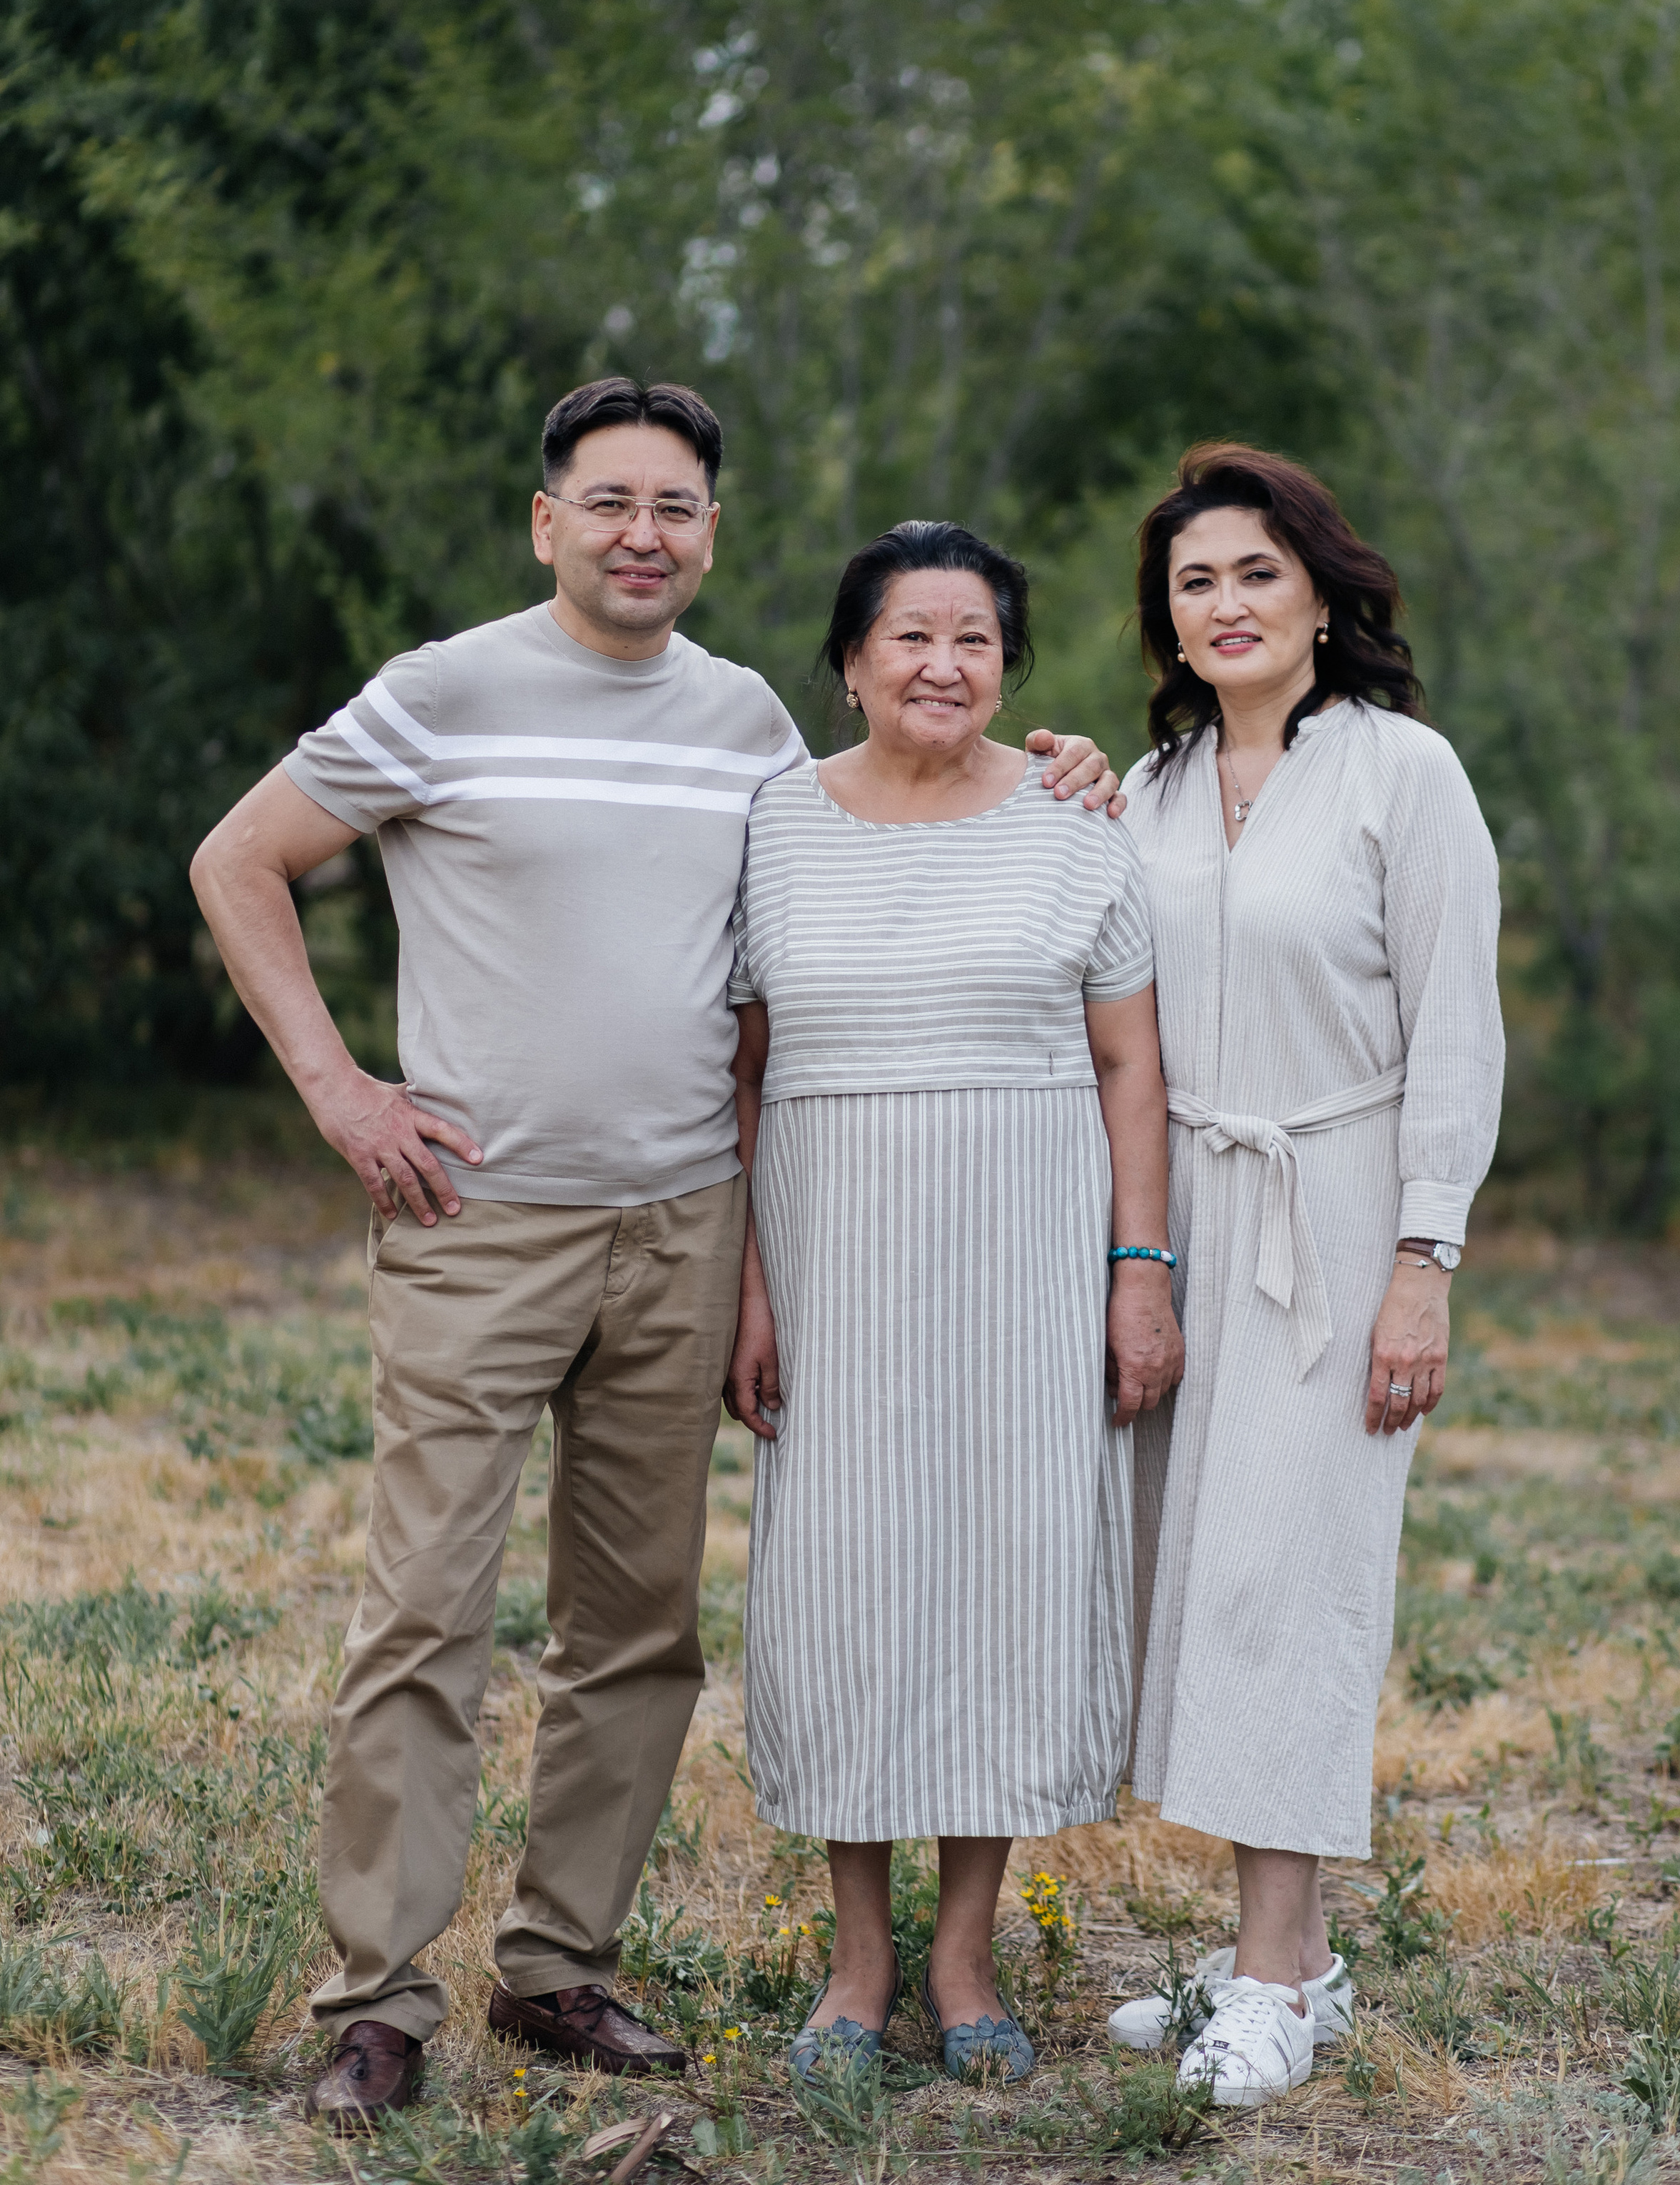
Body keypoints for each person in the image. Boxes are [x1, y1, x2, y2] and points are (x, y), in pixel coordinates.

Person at [187, 379, 1119, 2129]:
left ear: (710, 533)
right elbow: (240, 862)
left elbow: (884, 832)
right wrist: (339, 1090)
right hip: (480, 1221)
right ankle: (376, 2000)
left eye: (676, 507)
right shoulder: (442, 692)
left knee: (633, 1633)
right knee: (425, 1616)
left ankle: (560, 1970)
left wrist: (1055, 759)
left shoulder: (747, 722)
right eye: (608, 501)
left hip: (686, 1220)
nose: (642, 533)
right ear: (546, 522)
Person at [722, 520, 1181, 2085]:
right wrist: (749, 1287)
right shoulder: (770, 825)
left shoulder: (1072, 821)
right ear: (848, 662)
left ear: (1009, 668)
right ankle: (854, 1969)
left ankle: (966, 1955)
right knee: (844, 1592)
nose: (941, 664)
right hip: (834, 1255)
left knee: (998, 1582)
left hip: (1027, 1259)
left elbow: (1131, 1066)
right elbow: (744, 1069)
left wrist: (1138, 1273)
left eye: (974, 638)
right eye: (909, 635)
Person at [1105, 443, 1502, 2109]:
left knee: (1288, 1584)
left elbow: (1456, 1027)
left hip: (1329, 1210)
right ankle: (1294, 1963)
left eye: (1254, 573)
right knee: (1192, 1584)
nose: (1224, 604)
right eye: (1194, 581)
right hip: (1173, 1198)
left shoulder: (1399, 774)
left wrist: (1423, 1257)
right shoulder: (1145, 790)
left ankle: (1271, 1981)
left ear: (1324, 596)